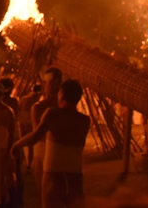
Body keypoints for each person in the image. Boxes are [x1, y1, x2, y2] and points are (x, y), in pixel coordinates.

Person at [12, 79, 90, 208]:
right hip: (76, 177)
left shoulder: (52, 114)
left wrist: (17, 145)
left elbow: (36, 136)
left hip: (55, 176)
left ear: (62, 95)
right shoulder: (84, 120)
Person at [31, 67, 62, 197]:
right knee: (45, 195)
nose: (55, 86)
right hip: (43, 153)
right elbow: (37, 134)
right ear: (45, 84)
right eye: (51, 83)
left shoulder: (65, 106)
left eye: (58, 83)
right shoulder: (38, 107)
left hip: (61, 154)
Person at [18, 84, 42, 168]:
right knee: (30, 145)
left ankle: (21, 164)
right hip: (29, 123)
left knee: (22, 143)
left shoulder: (24, 98)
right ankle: (28, 165)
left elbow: (19, 109)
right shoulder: (35, 99)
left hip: (22, 122)